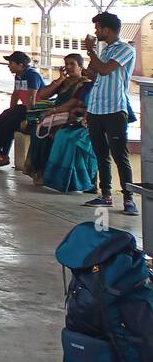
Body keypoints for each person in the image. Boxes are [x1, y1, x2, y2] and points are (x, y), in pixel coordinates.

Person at [81, 12, 138, 215]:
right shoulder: (104, 51)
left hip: (114, 110)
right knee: (101, 153)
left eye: (98, 28)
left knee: (119, 155)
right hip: (96, 110)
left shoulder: (125, 49)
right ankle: (105, 194)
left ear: (106, 29)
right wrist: (88, 71)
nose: (96, 32)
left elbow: (105, 70)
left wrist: (90, 52)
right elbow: (97, 75)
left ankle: (129, 198)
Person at [23, 54, 91, 183]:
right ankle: (38, 170)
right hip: (55, 115)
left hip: (70, 115)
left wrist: (53, 111)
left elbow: (74, 103)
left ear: (80, 66)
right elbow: (43, 95)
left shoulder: (83, 83)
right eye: (67, 64)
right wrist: (59, 80)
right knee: (36, 131)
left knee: (48, 134)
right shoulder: (64, 82)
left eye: (72, 64)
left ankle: (45, 172)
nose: (69, 67)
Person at [0, 51, 45, 169]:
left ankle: (0, 155)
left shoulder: (32, 75)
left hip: (36, 109)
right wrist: (10, 112)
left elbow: (31, 98)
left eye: (11, 63)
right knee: (1, 121)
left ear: (20, 65)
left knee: (4, 122)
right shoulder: (19, 76)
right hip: (26, 107)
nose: (9, 66)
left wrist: (28, 119)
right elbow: (15, 95)